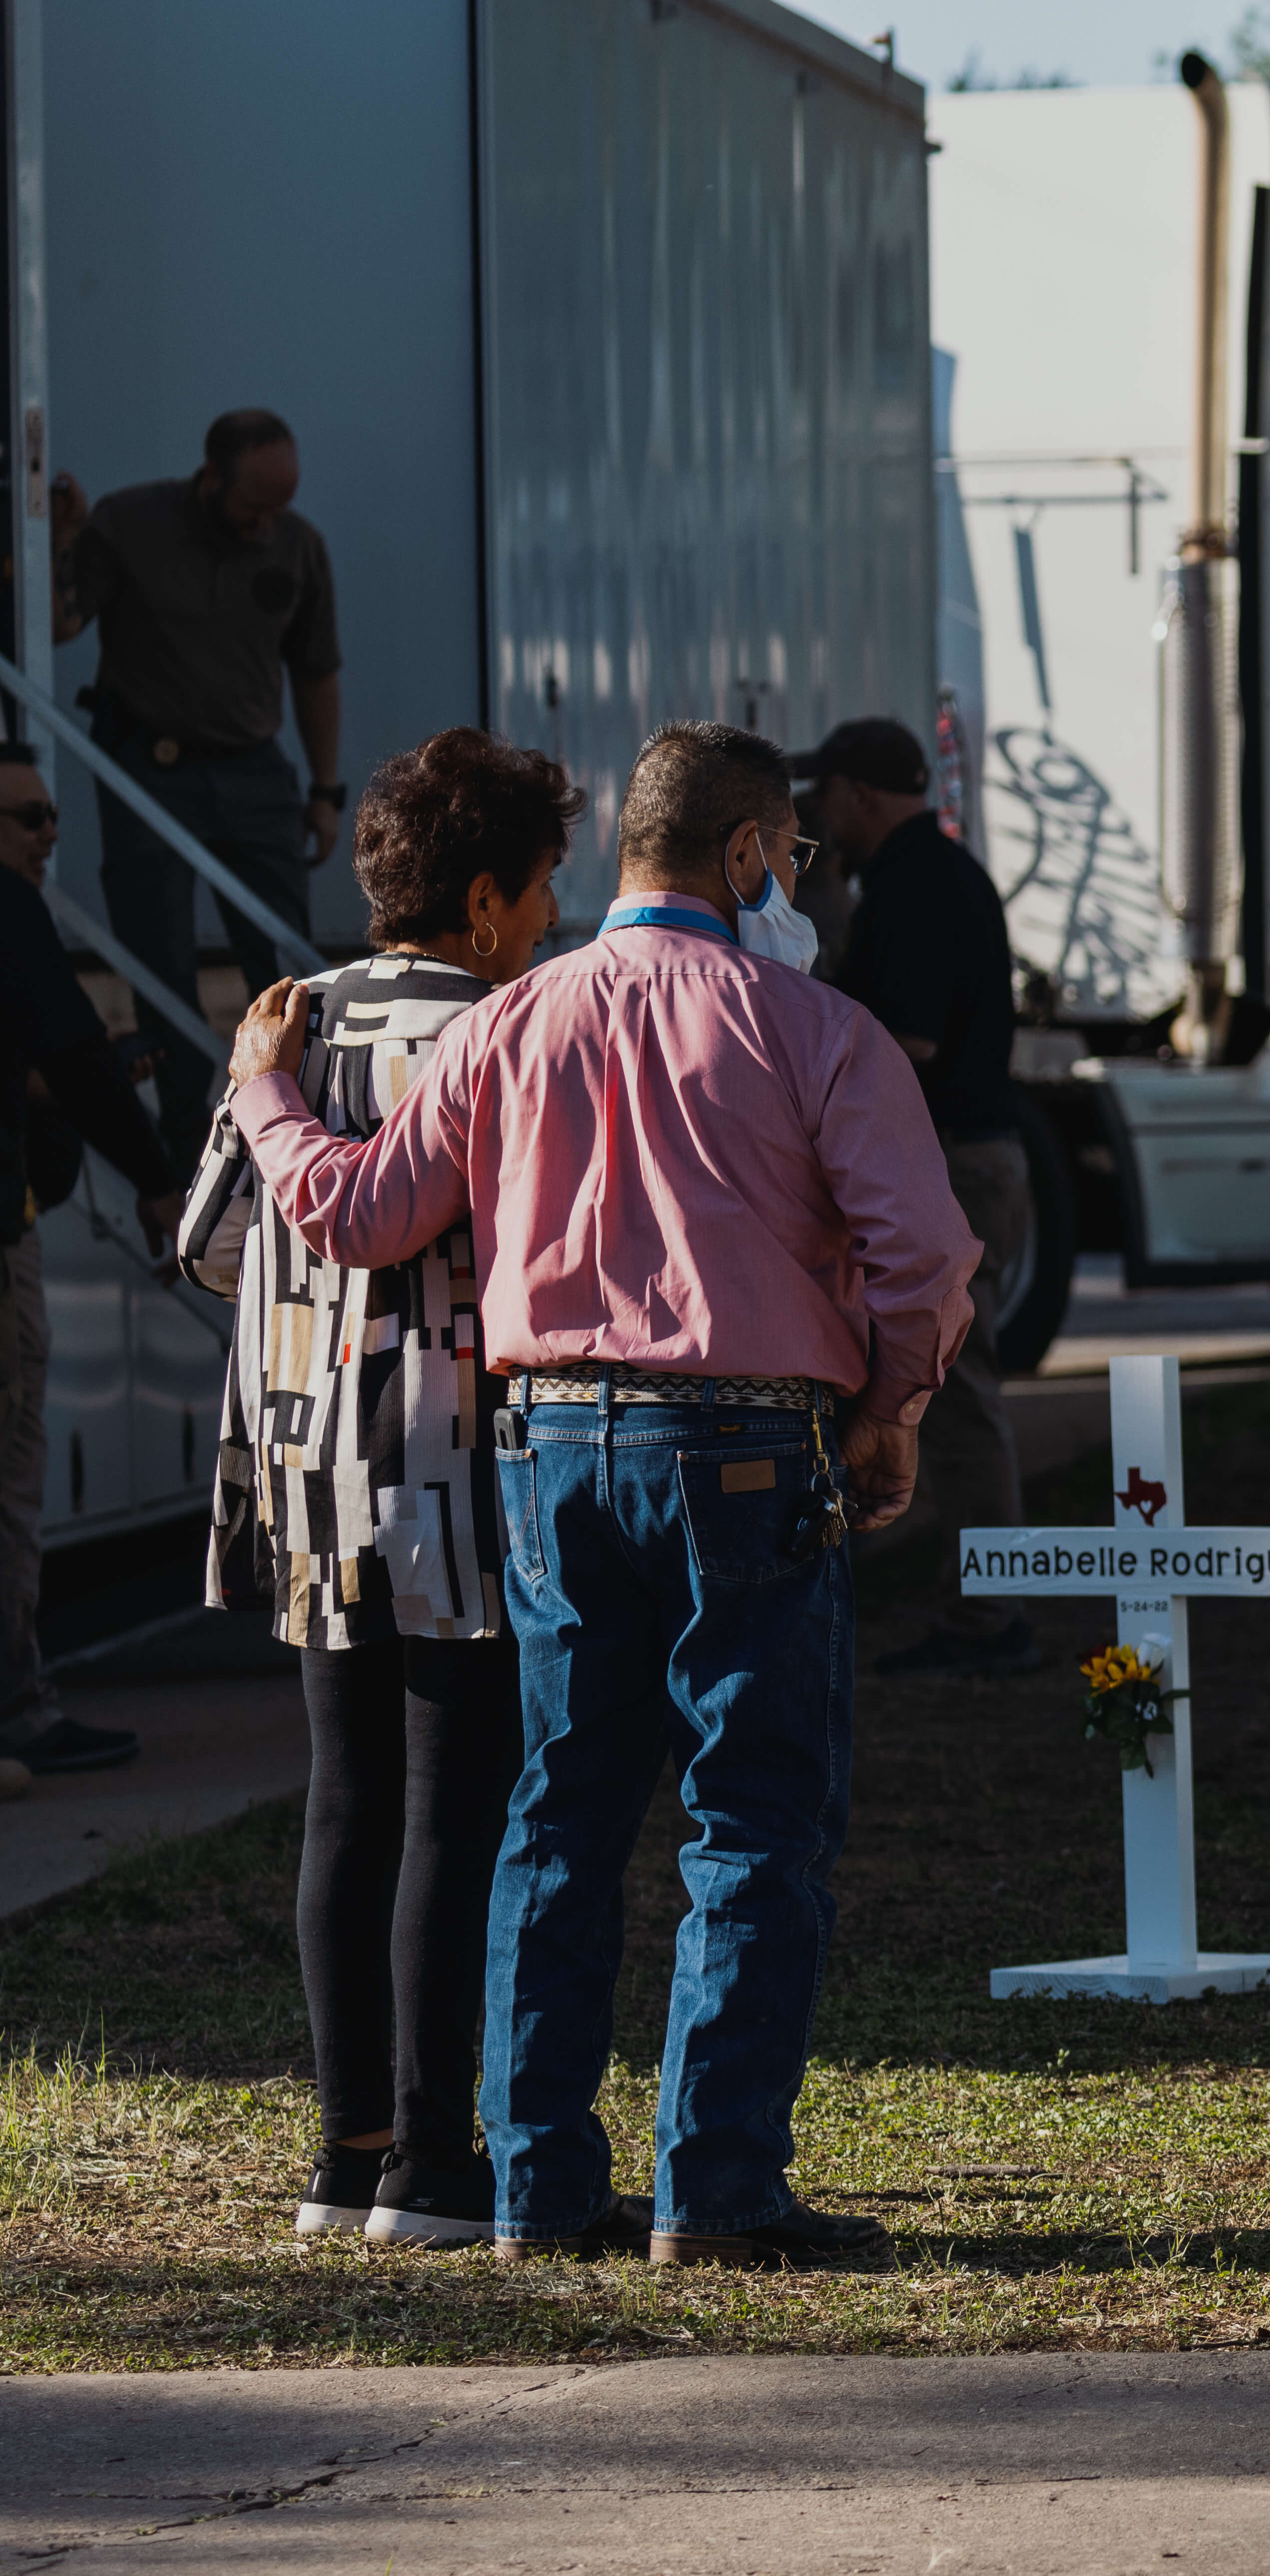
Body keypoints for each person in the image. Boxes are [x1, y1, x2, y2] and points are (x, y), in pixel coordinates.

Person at [225, 720, 975, 2272]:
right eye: (795, 858)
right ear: (753, 852)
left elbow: (360, 1211)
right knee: (752, 1820)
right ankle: (716, 2191)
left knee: (555, 1816)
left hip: (552, 1446)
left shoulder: (513, 1023)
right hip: (753, 1446)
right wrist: (891, 1409)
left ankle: (539, 2189)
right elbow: (927, 1255)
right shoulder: (815, 1027)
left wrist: (262, 1096)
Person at [179, 730, 571, 2248]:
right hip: (454, 1463)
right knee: (452, 1812)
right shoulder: (512, 1025)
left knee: (344, 1805)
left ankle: (343, 2151)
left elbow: (212, 1242)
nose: (550, 918)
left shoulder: (287, 1019)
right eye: (540, 891)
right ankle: (431, 2156)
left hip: (304, 1460)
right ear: (483, 901)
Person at [790, 717, 1034, 1678]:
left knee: (958, 1388)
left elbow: (910, 1045)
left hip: (959, 1162)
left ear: (857, 793)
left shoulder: (914, 886)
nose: (823, 820)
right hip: (970, 1156)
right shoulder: (932, 873)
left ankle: (993, 1614)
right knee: (945, 1384)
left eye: (829, 798)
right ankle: (966, 1591)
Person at [55, 408, 344, 1148]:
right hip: (151, 770)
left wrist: (324, 789)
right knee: (162, 975)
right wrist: (59, 539)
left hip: (254, 773)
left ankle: (294, 1138)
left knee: (286, 972)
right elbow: (57, 623)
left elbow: (316, 674)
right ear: (210, 477)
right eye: (252, 507)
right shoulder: (129, 524)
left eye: (278, 508)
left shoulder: (297, 545)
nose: (263, 527)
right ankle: (193, 1159)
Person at [1, 743, 177, 1790]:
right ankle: (19, 1710)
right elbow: (71, 1054)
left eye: (51, 816)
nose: (46, 834)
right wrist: (159, 1183)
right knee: (10, 1473)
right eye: (22, 816)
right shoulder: (12, 911)